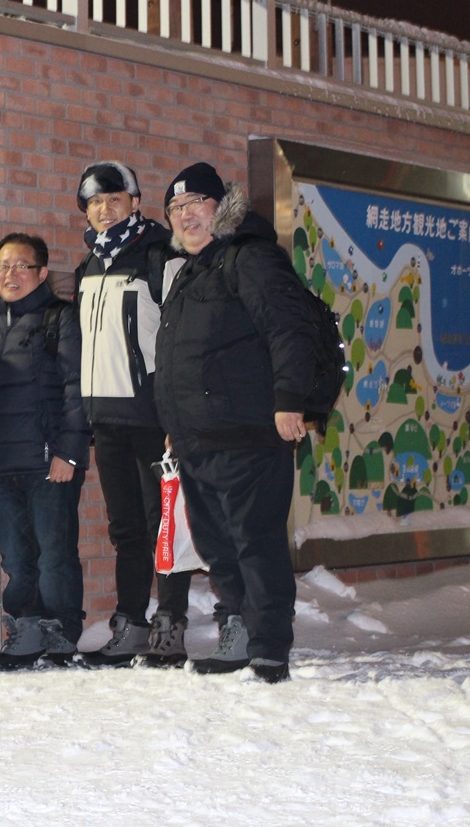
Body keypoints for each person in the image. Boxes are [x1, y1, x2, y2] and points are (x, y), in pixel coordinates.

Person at [153, 162, 314, 684]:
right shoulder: (188, 274)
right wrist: (176, 426)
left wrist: (290, 398)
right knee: (218, 546)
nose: (186, 215)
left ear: (222, 206)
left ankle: (269, 646)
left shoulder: (250, 257)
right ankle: (240, 630)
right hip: (199, 441)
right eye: (176, 209)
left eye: (196, 203)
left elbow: (287, 327)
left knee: (255, 541)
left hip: (249, 435)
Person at [69, 161, 195, 668]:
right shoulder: (89, 266)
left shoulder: (160, 255)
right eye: (95, 201)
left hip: (151, 417)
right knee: (125, 530)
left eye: (114, 199)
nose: (104, 209)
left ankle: (171, 623)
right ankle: (131, 623)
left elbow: (179, 337)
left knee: (162, 523)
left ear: (135, 202)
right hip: (107, 418)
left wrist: (174, 415)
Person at [0, 233, 90, 670]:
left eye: (21, 265)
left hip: (49, 461)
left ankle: (60, 634)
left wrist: (69, 452)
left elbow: (79, 390)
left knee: (54, 554)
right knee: (16, 558)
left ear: (42, 273)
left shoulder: (61, 319)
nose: (10, 274)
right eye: (2, 266)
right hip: (5, 465)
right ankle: (25, 630)